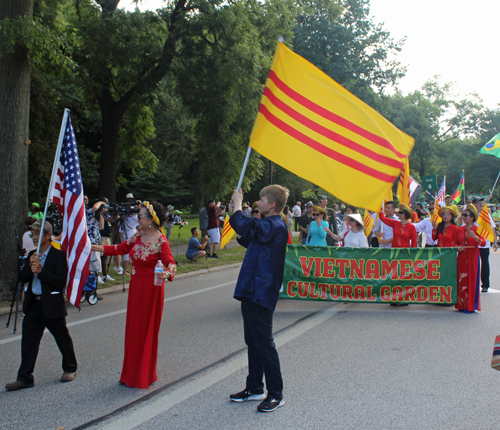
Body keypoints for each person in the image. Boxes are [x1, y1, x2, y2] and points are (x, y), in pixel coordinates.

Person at [92, 201, 176, 388]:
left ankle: (144, 375)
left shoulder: (160, 240)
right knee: (133, 331)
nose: (137, 218)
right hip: (136, 291)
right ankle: (130, 374)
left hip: (152, 293)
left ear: (151, 220)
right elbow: (117, 249)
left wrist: (168, 272)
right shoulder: (138, 236)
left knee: (146, 332)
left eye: (141, 215)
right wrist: (92, 247)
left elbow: (170, 262)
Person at [228, 185, 289, 413]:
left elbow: (245, 225)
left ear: (272, 204)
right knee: (253, 341)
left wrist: (237, 204)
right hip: (251, 289)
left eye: (262, 199)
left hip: (261, 291)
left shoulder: (275, 225)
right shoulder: (266, 225)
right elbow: (246, 234)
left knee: (264, 344)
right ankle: (254, 388)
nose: (258, 201)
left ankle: (276, 393)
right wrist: (236, 214)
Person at [5, 221, 77, 391]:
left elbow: (60, 281)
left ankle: (70, 367)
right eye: (32, 234)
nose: (34, 237)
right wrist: (30, 267)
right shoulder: (32, 254)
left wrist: (41, 272)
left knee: (62, 337)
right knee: (29, 342)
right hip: (34, 305)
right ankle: (25, 377)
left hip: (51, 304)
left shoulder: (58, 255)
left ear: (47, 235)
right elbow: (22, 278)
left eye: (37, 234)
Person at [454, 205, 485, 313]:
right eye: (463, 215)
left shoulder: (477, 229)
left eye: (466, 215)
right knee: (461, 279)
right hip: (462, 257)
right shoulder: (460, 229)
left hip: (472, 258)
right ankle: (461, 304)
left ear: (472, 217)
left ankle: (470, 305)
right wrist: (457, 247)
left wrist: (475, 237)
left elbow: (483, 242)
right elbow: (454, 243)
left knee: (471, 280)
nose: (463, 217)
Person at [472, 197, 497, 293]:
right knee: (474, 264)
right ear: (474, 204)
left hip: (484, 243)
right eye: (479, 203)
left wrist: (494, 241)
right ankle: (473, 283)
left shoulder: (486, 215)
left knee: (485, 263)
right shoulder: (471, 214)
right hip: (473, 243)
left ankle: (485, 284)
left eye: (482, 203)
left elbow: (493, 227)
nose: (481, 205)